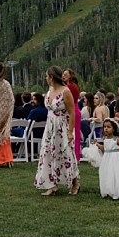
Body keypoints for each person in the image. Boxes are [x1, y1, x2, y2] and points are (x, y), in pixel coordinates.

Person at [33, 65, 80, 196]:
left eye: (47, 76)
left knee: (66, 153)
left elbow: (72, 113)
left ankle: (75, 181)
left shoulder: (65, 91)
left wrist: (70, 132)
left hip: (62, 125)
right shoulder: (50, 90)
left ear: (52, 77)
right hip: (50, 126)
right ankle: (52, 184)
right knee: (48, 153)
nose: (46, 78)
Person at [62, 68, 82, 162]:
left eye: (66, 74)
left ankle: (74, 156)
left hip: (72, 109)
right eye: (63, 74)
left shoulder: (69, 86)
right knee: (75, 133)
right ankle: (75, 156)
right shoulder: (72, 85)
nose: (63, 76)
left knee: (73, 134)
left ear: (70, 75)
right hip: (75, 108)